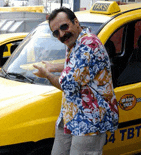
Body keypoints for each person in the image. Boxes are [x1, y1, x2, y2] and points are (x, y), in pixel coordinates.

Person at [33, 7, 119, 155]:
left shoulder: (88, 44)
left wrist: (47, 75)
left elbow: (69, 85)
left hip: (89, 121)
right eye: (56, 33)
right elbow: (78, 66)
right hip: (71, 116)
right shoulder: (75, 42)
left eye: (64, 27)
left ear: (76, 22)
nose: (61, 34)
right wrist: (54, 66)